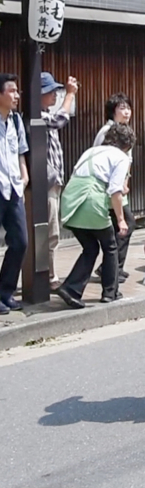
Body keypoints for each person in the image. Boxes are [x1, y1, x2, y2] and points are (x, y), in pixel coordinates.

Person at [56, 123, 135, 308]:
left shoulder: (91, 151)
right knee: (110, 246)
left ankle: (70, 289)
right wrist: (121, 220)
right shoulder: (121, 157)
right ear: (127, 145)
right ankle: (110, 292)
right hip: (92, 201)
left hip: (71, 202)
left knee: (90, 247)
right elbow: (115, 191)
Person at [40, 72, 78, 291]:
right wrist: (70, 94)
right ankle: (49, 277)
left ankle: (47, 274)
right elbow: (59, 119)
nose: (55, 94)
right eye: (50, 91)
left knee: (51, 230)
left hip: (52, 183)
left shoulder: (42, 114)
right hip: (45, 185)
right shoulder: (39, 116)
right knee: (50, 231)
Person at [93, 93, 135, 283]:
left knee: (124, 225)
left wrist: (126, 181)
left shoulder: (125, 130)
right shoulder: (107, 131)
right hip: (108, 188)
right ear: (112, 112)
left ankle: (114, 267)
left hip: (118, 186)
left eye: (128, 108)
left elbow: (128, 160)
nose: (126, 112)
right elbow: (101, 157)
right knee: (126, 223)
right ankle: (110, 269)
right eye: (121, 108)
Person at [0, 74, 28, 314]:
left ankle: (5, 291)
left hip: (14, 188)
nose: (17, 96)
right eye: (12, 91)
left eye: (17, 91)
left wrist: (24, 175)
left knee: (20, 241)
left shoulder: (16, 120)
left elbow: (20, 151)